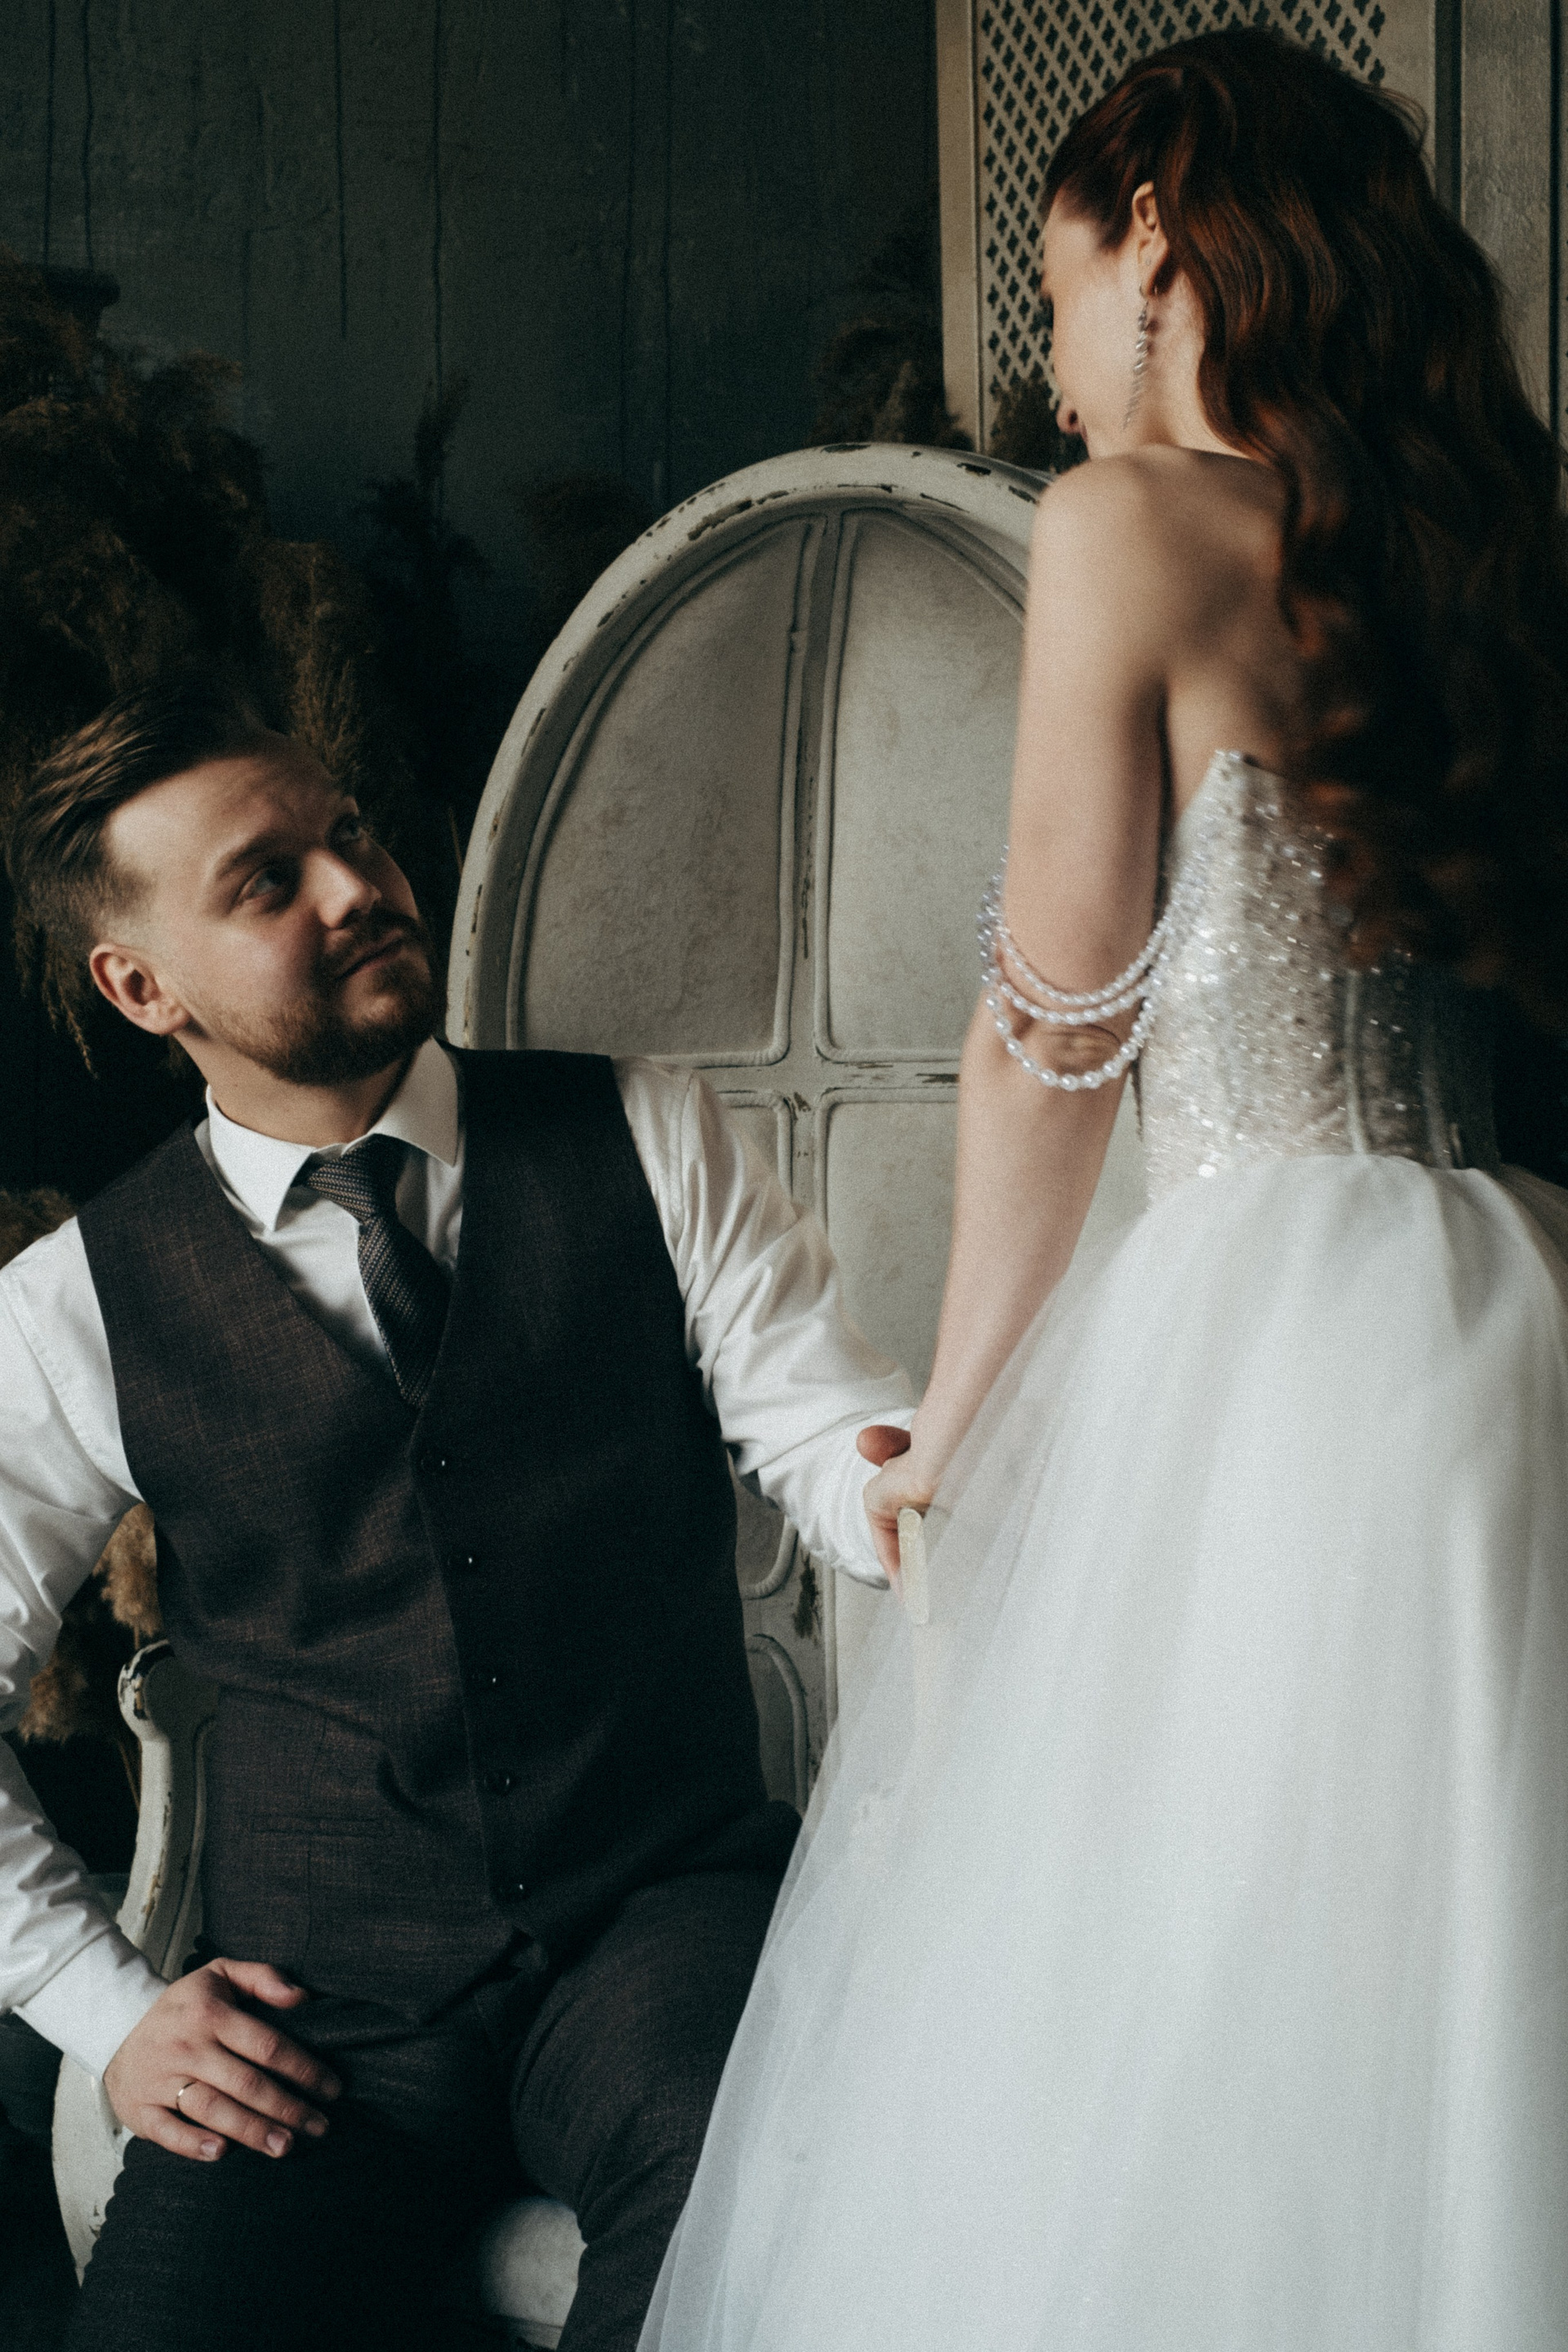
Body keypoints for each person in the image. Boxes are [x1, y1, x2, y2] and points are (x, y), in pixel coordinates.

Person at [639, 28, 1568, 2351]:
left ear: (1159, 237)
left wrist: (954, 1425)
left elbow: (1058, 1033)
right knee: (1474, 1950)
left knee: (1227, 1985)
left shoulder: (1132, 524)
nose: (1052, 369)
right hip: (1505, 1289)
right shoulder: (1484, 542)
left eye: (1056, 293)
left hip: (1282, 1327)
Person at [0, 670, 913, 2352]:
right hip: (318, 2016)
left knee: (757, 2256)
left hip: (663, 1930)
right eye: (266, 882)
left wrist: (923, 1489)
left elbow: (831, 1432)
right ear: (142, 986)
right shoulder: (72, 1306)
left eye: (346, 830)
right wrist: (101, 2007)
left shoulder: (648, 1128)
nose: (357, 885)